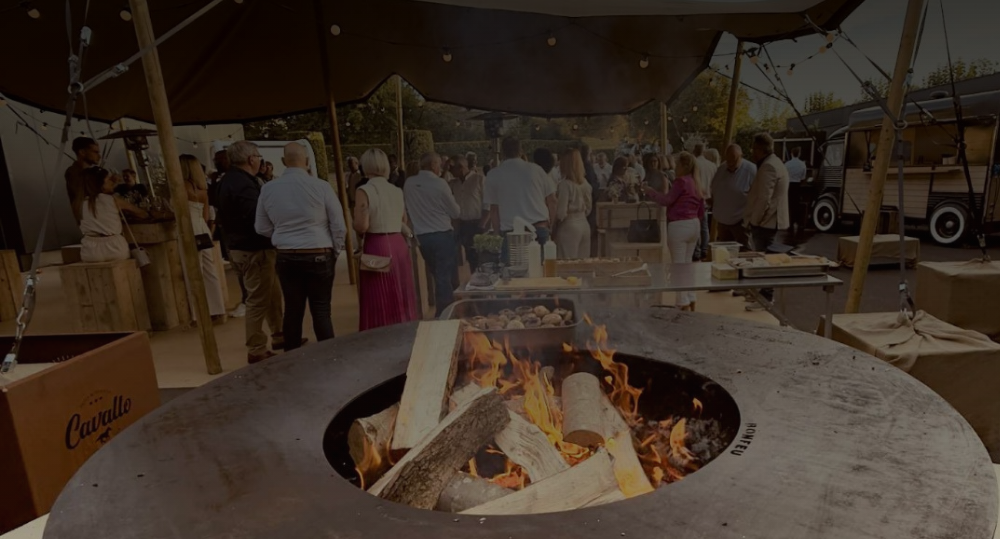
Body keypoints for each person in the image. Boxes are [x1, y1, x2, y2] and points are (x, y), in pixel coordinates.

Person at [256, 142, 346, 351]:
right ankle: (329, 356)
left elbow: (261, 227)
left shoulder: (268, 189)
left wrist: (282, 236)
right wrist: (335, 250)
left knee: (293, 310)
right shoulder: (321, 186)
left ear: (283, 161)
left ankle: (292, 358)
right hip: (319, 251)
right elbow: (339, 225)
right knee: (321, 311)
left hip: (287, 254)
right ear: (307, 161)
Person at [217, 141, 286, 364]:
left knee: (272, 293)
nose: (259, 160)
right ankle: (256, 348)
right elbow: (256, 217)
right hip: (253, 249)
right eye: (258, 156)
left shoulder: (229, 180)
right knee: (257, 300)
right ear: (250, 159)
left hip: (243, 248)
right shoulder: (243, 185)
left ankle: (279, 333)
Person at [354, 149, 419, 330]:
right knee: (401, 290)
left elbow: (362, 226)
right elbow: (403, 220)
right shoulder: (396, 190)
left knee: (378, 295)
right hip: (398, 244)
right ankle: (405, 329)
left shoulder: (364, 190)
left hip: (377, 245)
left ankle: (379, 333)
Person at [643, 152, 705, 311]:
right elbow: (702, 209)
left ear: (684, 166)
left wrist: (649, 191)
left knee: (678, 267)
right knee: (687, 265)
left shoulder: (681, 181)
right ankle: (691, 298)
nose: (675, 168)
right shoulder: (696, 182)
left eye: (677, 165)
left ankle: (682, 302)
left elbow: (666, 200)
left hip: (679, 225)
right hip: (694, 224)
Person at [404, 152, 461, 316]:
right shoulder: (440, 184)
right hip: (442, 235)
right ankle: (445, 314)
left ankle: (446, 310)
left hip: (423, 237)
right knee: (444, 277)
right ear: (433, 165)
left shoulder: (409, 183)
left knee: (438, 276)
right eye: (439, 164)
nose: (441, 167)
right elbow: (455, 212)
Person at [484, 137, 556, 259]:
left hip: (511, 232)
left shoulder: (493, 175)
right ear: (521, 151)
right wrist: (552, 226)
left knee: (513, 269)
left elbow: (494, 210)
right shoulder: (536, 169)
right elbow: (552, 200)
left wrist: (497, 234)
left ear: (502, 152)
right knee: (541, 268)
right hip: (539, 227)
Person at [179, 155, 227, 324]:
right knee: (209, 270)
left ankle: (198, 314)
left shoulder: (181, 187)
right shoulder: (202, 188)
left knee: (193, 270)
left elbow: (178, 211)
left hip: (188, 228)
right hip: (201, 226)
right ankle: (217, 309)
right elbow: (206, 216)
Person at [745, 133, 790, 309]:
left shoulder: (768, 166)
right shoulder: (776, 162)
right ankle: (763, 294)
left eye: (753, 149)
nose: (752, 152)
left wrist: (755, 220)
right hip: (772, 220)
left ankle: (766, 297)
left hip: (766, 222)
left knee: (764, 259)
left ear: (759, 149)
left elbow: (764, 198)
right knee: (766, 257)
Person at [78, 167, 150, 263]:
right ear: (100, 184)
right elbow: (142, 214)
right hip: (114, 248)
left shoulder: (81, 203)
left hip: (90, 251)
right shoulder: (113, 200)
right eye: (109, 180)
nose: (113, 182)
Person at [710, 144, 757, 250]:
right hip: (722, 221)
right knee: (725, 253)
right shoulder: (722, 168)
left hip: (740, 222)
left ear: (741, 156)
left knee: (744, 252)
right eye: (728, 160)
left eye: (734, 160)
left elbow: (758, 196)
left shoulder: (751, 170)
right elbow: (714, 188)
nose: (730, 163)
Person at [449, 155, 485, 270]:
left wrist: (483, 225)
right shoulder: (453, 184)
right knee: (470, 257)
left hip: (477, 223)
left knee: (481, 257)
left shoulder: (479, 179)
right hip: (463, 224)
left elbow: (488, 204)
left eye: (452, 168)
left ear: (461, 167)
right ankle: (474, 277)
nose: (450, 171)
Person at [555, 149, 592, 259]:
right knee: (582, 263)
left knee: (567, 262)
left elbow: (561, 213)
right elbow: (589, 208)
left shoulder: (564, 185)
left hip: (569, 225)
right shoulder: (585, 184)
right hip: (584, 224)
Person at [66, 137, 101, 224]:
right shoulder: (73, 172)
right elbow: (83, 195)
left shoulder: (93, 172)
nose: (99, 156)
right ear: (82, 152)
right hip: (90, 220)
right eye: (95, 152)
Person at [692, 143, 718, 260]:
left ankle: (697, 250)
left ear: (695, 150)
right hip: (708, 198)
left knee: (697, 225)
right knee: (704, 225)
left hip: (696, 198)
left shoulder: (694, 164)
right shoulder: (712, 166)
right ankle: (705, 249)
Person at [784, 146, 808, 239]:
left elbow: (784, 176)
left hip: (789, 185)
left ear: (791, 154)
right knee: (796, 205)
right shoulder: (802, 165)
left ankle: (789, 223)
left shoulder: (787, 164)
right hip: (797, 186)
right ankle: (797, 222)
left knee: (788, 205)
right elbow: (803, 178)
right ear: (799, 154)